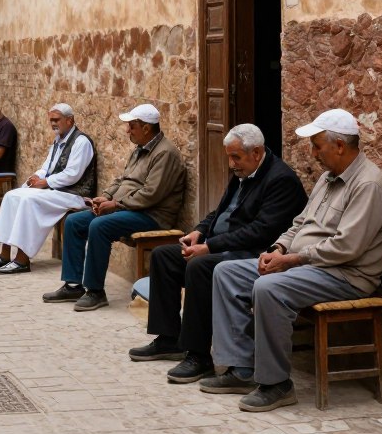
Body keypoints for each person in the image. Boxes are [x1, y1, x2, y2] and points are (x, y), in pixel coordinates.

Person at [203, 109, 382, 412]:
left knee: (269, 288)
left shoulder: (369, 184)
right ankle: (241, 369)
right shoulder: (327, 178)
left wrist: (292, 260)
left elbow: (347, 248)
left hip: (345, 275)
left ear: (340, 146)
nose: (313, 153)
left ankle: (277, 384)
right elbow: (299, 223)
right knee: (226, 272)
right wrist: (279, 248)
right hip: (308, 265)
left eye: (317, 146)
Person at [128, 123, 307, 383]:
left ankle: (198, 356)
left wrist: (210, 246)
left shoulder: (281, 180)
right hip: (223, 245)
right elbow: (221, 211)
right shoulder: (244, 171)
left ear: (257, 153)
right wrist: (199, 231)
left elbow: (261, 231)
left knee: (199, 267)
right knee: (164, 256)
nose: (232, 164)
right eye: (230, 157)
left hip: (250, 253)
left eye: (236, 157)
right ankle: (169, 339)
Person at [42, 103, 186, 311]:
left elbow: (151, 194)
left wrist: (116, 204)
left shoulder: (165, 154)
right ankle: (73, 285)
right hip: (127, 209)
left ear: (146, 128)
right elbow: (122, 179)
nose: (128, 131)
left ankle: (95, 291)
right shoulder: (140, 149)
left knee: (100, 226)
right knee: (74, 221)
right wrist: (105, 197)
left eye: (132, 126)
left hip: (151, 215)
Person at [0, 104, 96, 274]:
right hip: (55, 190)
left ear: (69, 120)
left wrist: (45, 182)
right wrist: (35, 177)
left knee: (28, 201)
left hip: (73, 193)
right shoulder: (58, 140)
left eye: (56, 120)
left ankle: (22, 259)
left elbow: (73, 174)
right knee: (11, 196)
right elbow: (47, 167)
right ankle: (4, 254)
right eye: (51, 120)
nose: (53, 124)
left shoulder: (81, 142)